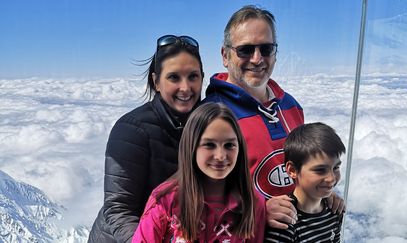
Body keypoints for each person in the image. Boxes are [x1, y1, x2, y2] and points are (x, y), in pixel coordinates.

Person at [204, 5, 345, 229]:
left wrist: (321, 192)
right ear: (225, 55)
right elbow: (199, 194)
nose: (257, 59)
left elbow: (301, 169)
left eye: (266, 49)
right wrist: (258, 210)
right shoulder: (211, 115)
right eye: (245, 50)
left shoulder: (291, 106)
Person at [88, 35, 204, 242]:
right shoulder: (131, 130)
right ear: (156, 82)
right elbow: (118, 210)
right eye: (174, 77)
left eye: (193, 77)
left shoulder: (210, 126)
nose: (185, 88)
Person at [132, 103, 266, 242]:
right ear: (191, 146)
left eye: (229, 145)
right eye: (209, 145)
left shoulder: (252, 202)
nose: (220, 156)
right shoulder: (165, 200)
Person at [265, 122, 345, 242]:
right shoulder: (285, 222)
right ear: (292, 170)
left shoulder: (334, 211)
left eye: (336, 168)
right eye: (320, 170)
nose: (331, 178)